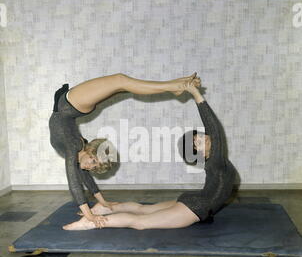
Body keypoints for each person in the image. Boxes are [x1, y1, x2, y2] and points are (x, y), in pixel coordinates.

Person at [64, 78, 237, 231]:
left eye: (199, 137)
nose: (203, 137)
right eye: (198, 140)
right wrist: (194, 92)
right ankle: (93, 222)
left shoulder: (214, 159)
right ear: (199, 154)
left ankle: (105, 209)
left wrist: (194, 92)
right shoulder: (215, 159)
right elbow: (213, 124)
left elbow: (211, 127)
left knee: (143, 209)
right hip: (198, 205)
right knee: (141, 221)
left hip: (198, 198)